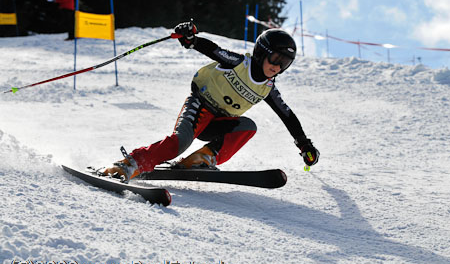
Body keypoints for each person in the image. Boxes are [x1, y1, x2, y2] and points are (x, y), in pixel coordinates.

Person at [103, 21, 320, 181]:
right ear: (262, 53)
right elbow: (213, 50)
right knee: (179, 143)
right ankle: (129, 164)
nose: (278, 67)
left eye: (285, 63)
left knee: (248, 127)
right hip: (200, 106)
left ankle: (199, 159)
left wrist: (304, 145)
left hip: (219, 122)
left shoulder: (268, 89)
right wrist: (191, 40)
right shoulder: (238, 63)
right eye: (275, 59)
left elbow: (288, 116)